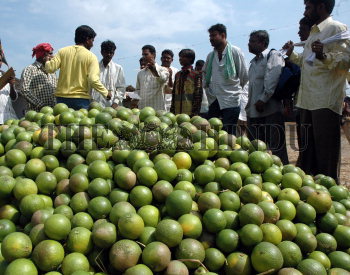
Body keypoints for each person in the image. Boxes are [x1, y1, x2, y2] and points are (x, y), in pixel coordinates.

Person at [283, 0, 350, 182]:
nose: (305, 11)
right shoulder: (313, 33)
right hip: (307, 101)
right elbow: (309, 64)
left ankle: (329, 196)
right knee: (308, 153)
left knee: (325, 154)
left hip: (325, 101)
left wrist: (324, 55)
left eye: (308, 7)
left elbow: (346, 60)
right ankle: (310, 194)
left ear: (320, 6)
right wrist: (292, 55)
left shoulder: (336, 28)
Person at [246, 30, 289, 164]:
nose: (249, 44)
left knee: (277, 149)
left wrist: (262, 99)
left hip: (270, 110)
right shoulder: (253, 62)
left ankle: (283, 173)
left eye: (252, 41)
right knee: (257, 151)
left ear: (262, 43)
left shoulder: (273, 55)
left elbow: (272, 78)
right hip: (254, 113)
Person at [45, 25, 111, 110]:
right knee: (80, 123)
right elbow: (93, 79)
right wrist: (106, 93)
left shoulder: (62, 51)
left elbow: (50, 68)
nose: (92, 44)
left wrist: (47, 61)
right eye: (92, 40)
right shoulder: (91, 57)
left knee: (61, 123)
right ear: (87, 40)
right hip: (80, 100)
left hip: (61, 99)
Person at [203, 23, 248, 135]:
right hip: (214, 99)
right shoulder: (210, 55)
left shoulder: (235, 51)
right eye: (210, 36)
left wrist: (238, 93)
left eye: (213, 36)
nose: (211, 39)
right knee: (211, 132)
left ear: (223, 35)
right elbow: (205, 74)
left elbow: (244, 76)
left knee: (228, 133)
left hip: (231, 99)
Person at [20, 43, 57, 111]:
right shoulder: (29, 69)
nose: (53, 56)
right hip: (36, 113)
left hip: (53, 112)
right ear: (43, 55)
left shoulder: (52, 71)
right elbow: (24, 90)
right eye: (50, 54)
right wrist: (41, 105)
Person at [91, 40, 125, 108]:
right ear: (101, 52)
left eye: (111, 53)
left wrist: (116, 103)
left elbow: (121, 88)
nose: (109, 55)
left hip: (111, 106)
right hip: (95, 105)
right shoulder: (94, 67)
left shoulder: (118, 68)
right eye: (106, 52)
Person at [135, 45, 169, 110]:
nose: (144, 57)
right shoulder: (140, 73)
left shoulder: (163, 70)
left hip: (157, 111)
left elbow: (162, 80)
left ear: (153, 55)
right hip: (142, 110)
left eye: (146, 54)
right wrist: (134, 99)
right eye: (143, 55)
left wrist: (155, 71)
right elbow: (138, 90)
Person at [170, 49, 203, 116]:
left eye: (182, 57)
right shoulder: (178, 75)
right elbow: (173, 94)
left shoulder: (196, 75)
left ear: (190, 59)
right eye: (180, 57)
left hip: (190, 113)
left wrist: (195, 113)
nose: (180, 59)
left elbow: (198, 95)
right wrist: (172, 111)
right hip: (177, 113)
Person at [0, 54, 17, 124]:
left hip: (10, 118)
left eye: (0, 60)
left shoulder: (4, 75)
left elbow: (13, 98)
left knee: (49, 132)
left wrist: (12, 85)